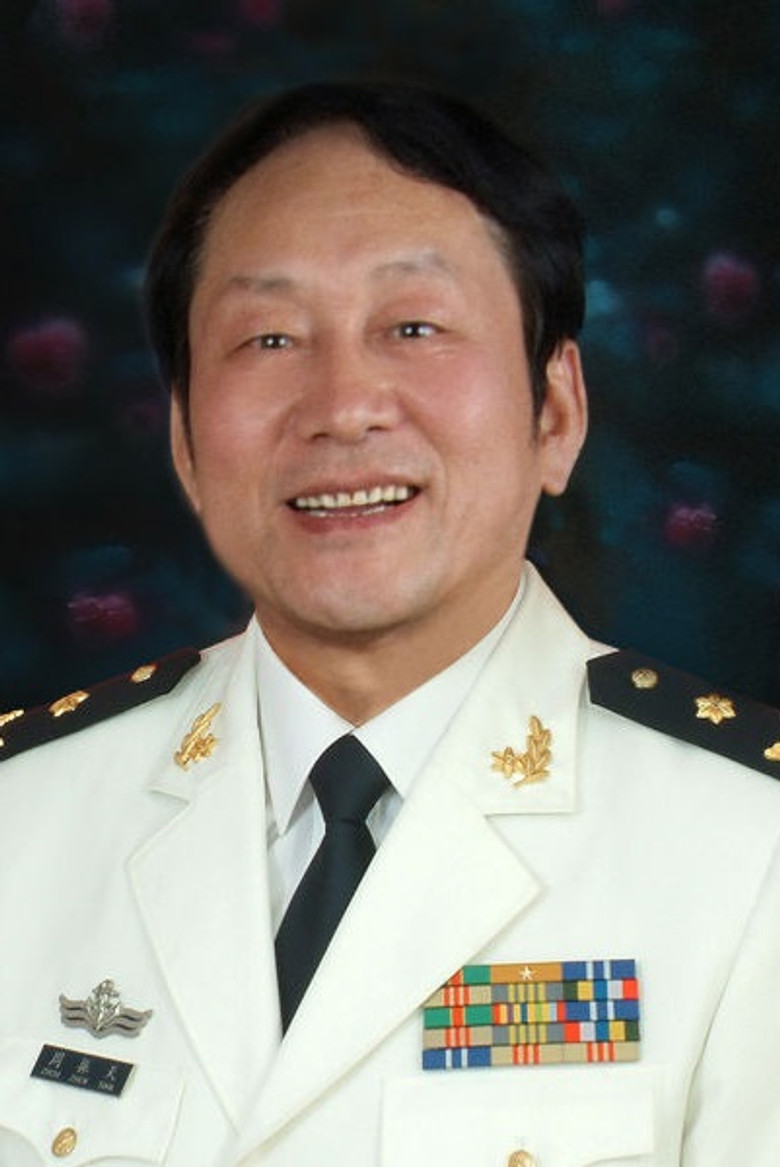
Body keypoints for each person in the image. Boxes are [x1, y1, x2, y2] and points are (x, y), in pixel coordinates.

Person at [1, 81, 780, 1167]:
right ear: (184, 439)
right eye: (269, 338)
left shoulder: (750, 850)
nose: (343, 406)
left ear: (555, 412)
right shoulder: (24, 822)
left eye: (414, 327)